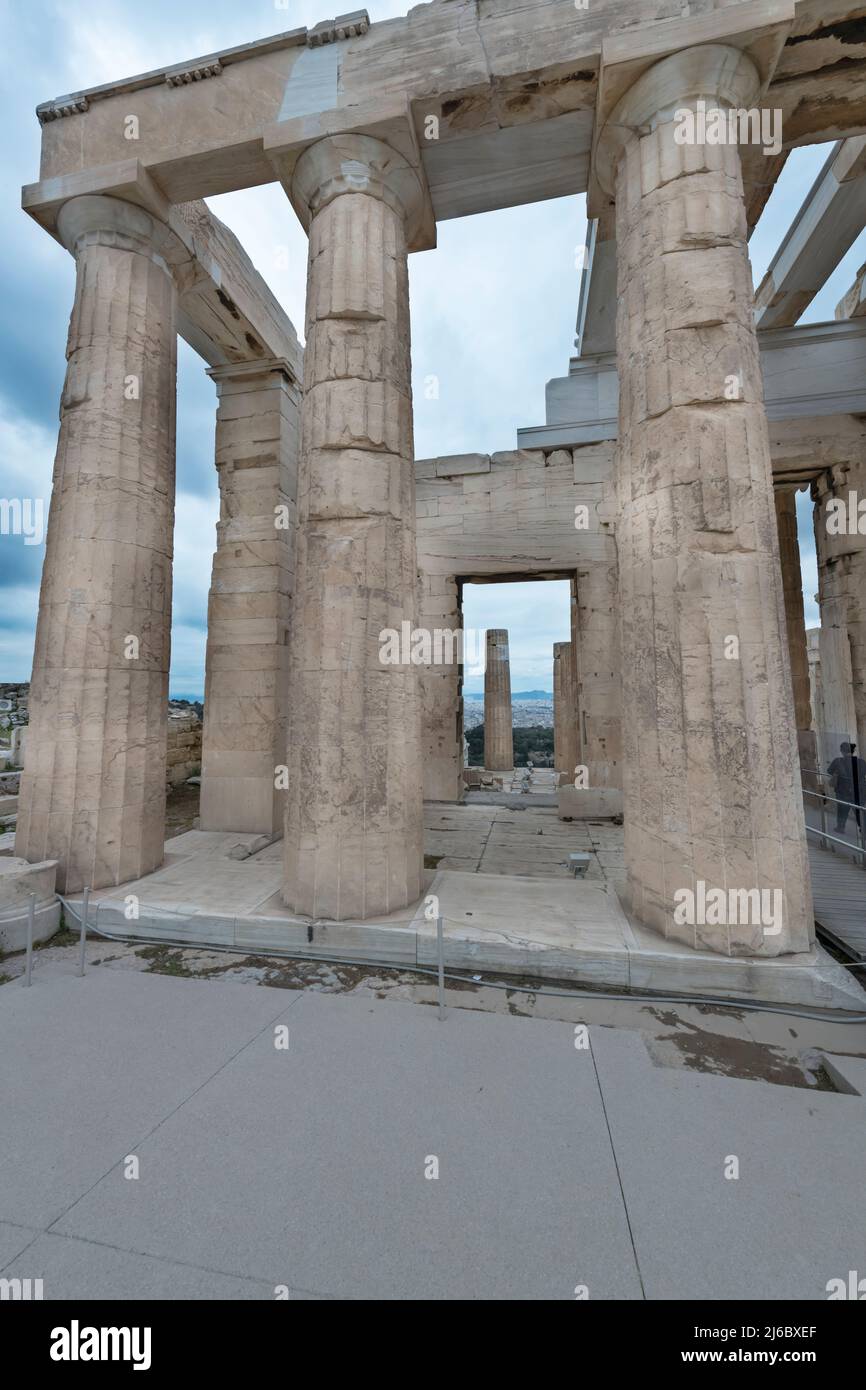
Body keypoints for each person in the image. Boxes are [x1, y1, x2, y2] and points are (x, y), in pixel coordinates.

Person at [827, 742, 866, 837]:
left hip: (843, 791)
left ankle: (841, 827)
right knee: (860, 811)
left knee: (842, 809)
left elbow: (829, 771)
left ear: (842, 751)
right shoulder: (861, 762)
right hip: (859, 791)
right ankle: (864, 830)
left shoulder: (838, 761)